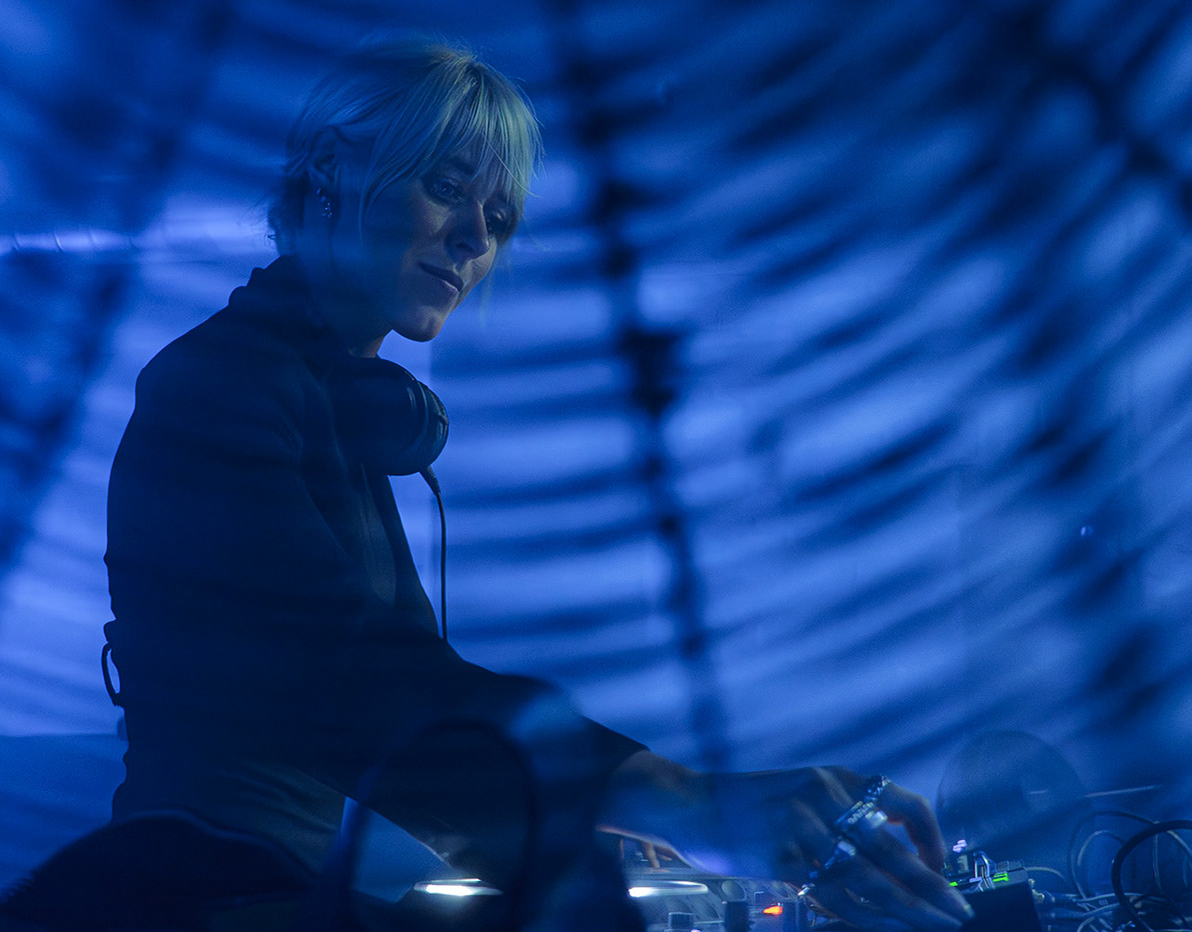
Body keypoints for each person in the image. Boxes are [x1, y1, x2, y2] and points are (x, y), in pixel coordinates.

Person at [0, 39, 975, 932]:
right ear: (332, 169)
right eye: (445, 187)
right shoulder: (217, 386)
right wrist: (675, 796)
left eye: (499, 218)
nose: (474, 236)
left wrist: (585, 832)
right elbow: (348, 678)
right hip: (198, 889)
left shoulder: (340, 408)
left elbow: (386, 711)